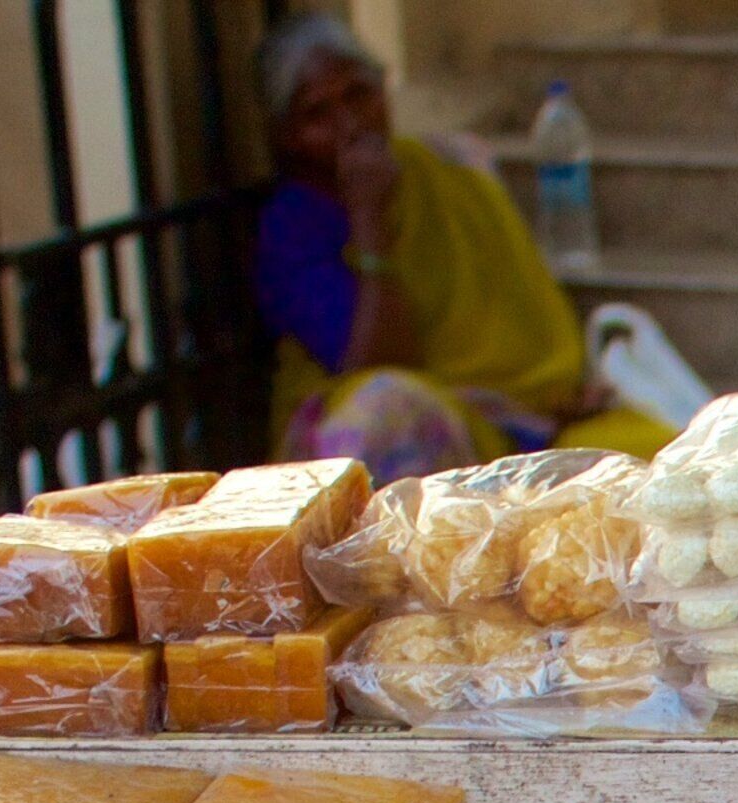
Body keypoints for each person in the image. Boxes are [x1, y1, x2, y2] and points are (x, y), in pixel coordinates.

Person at [253, 15, 677, 475]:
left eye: (359, 94)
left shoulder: (447, 174)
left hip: (513, 421)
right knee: (389, 410)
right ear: (288, 137)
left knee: (657, 459)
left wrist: (544, 399)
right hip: (387, 427)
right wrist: (370, 219)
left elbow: (521, 321)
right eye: (318, 114)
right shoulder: (294, 224)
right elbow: (379, 365)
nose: (350, 124)